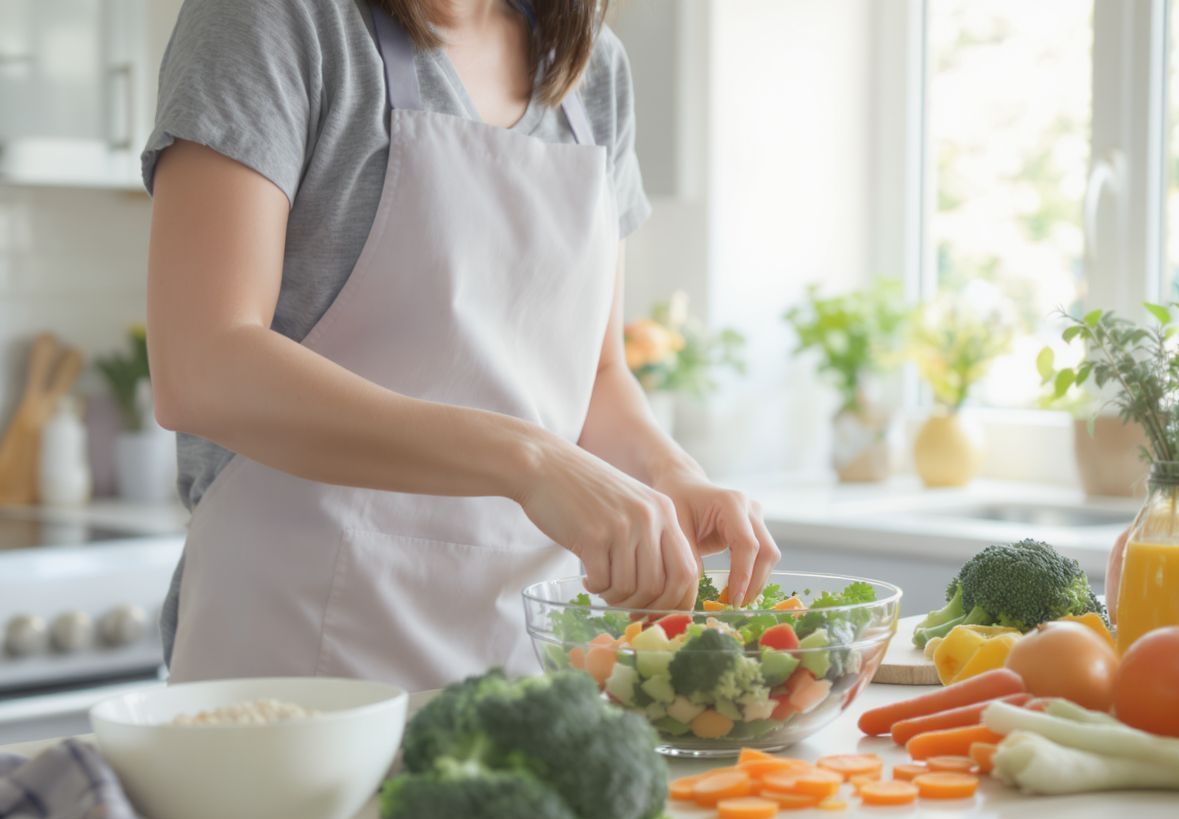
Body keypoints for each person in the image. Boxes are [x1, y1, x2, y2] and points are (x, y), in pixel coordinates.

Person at [144, 0, 780, 690]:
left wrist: (669, 475)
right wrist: (530, 461)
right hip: (298, 660)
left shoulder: (590, 68)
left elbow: (594, 376)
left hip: (525, 662)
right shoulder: (276, 18)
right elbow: (202, 364)